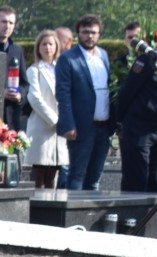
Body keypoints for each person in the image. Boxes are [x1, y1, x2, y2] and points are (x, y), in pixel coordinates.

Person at [116, 28, 157, 190]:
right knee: (136, 182)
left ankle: (153, 209)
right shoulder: (148, 61)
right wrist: (117, 122)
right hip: (140, 130)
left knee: (155, 183)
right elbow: (127, 92)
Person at [56, 14, 115, 190]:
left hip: (104, 126)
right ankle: (73, 209)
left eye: (94, 32)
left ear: (99, 34)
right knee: (77, 174)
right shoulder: (68, 58)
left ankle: (90, 209)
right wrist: (68, 124)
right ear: (78, 34)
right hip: (81, 126)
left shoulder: (103, 55)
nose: (90, 36)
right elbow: (63, 94)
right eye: (85, 32)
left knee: (95, 178)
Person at [25, 29, 69, 187]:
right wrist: (55, 120)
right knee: (39, 171)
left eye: (51, 44)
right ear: (38, 48)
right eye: (44, 44)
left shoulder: (62, 69)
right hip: (42, 126)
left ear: (56, 47)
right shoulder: (34, 70)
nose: (47, 47)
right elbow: (34, 98)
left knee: (54, 172)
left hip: (60, 129)